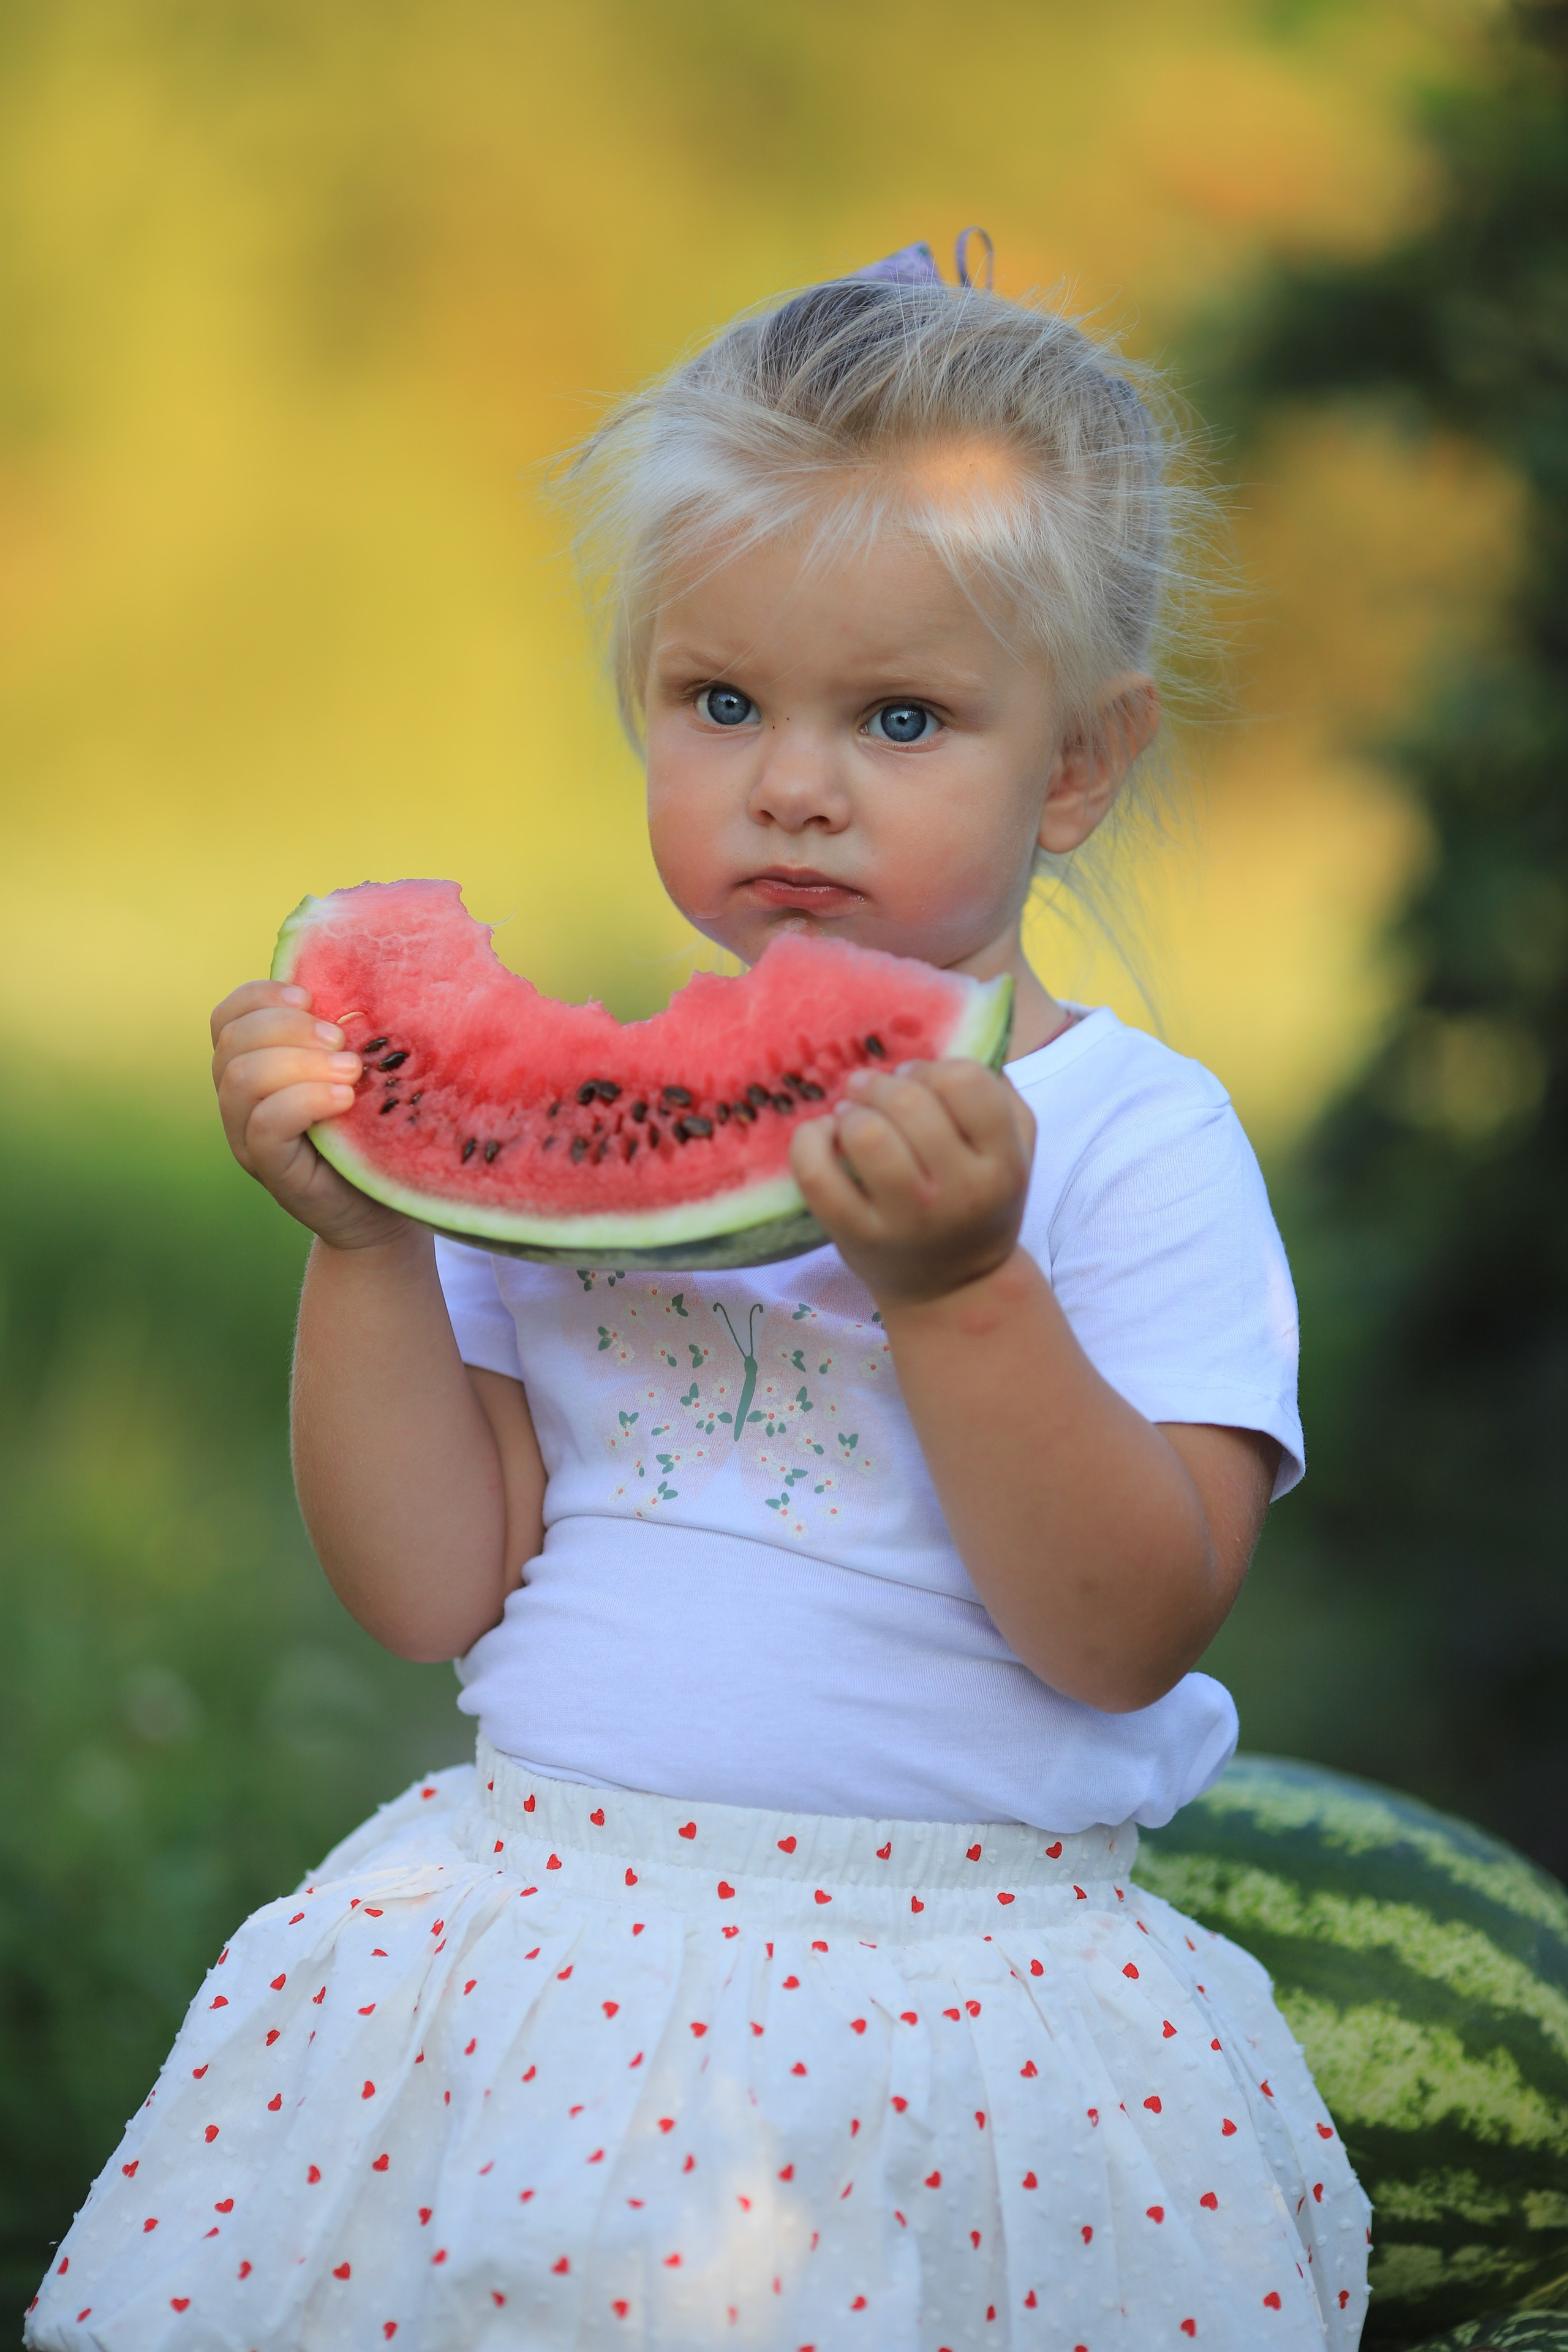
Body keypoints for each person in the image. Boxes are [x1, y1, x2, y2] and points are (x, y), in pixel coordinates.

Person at [29, 239, 1371, 2352]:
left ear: (1082, 768)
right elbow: (432, 1589)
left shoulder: (1134, 1140)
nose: (795, 780)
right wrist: (371, 1230)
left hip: (953, 2026)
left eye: (903, 716)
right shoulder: (564, 1148)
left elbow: (1126, 1629)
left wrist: (961, 1288)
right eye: (719, 701)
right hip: (525, 1947)